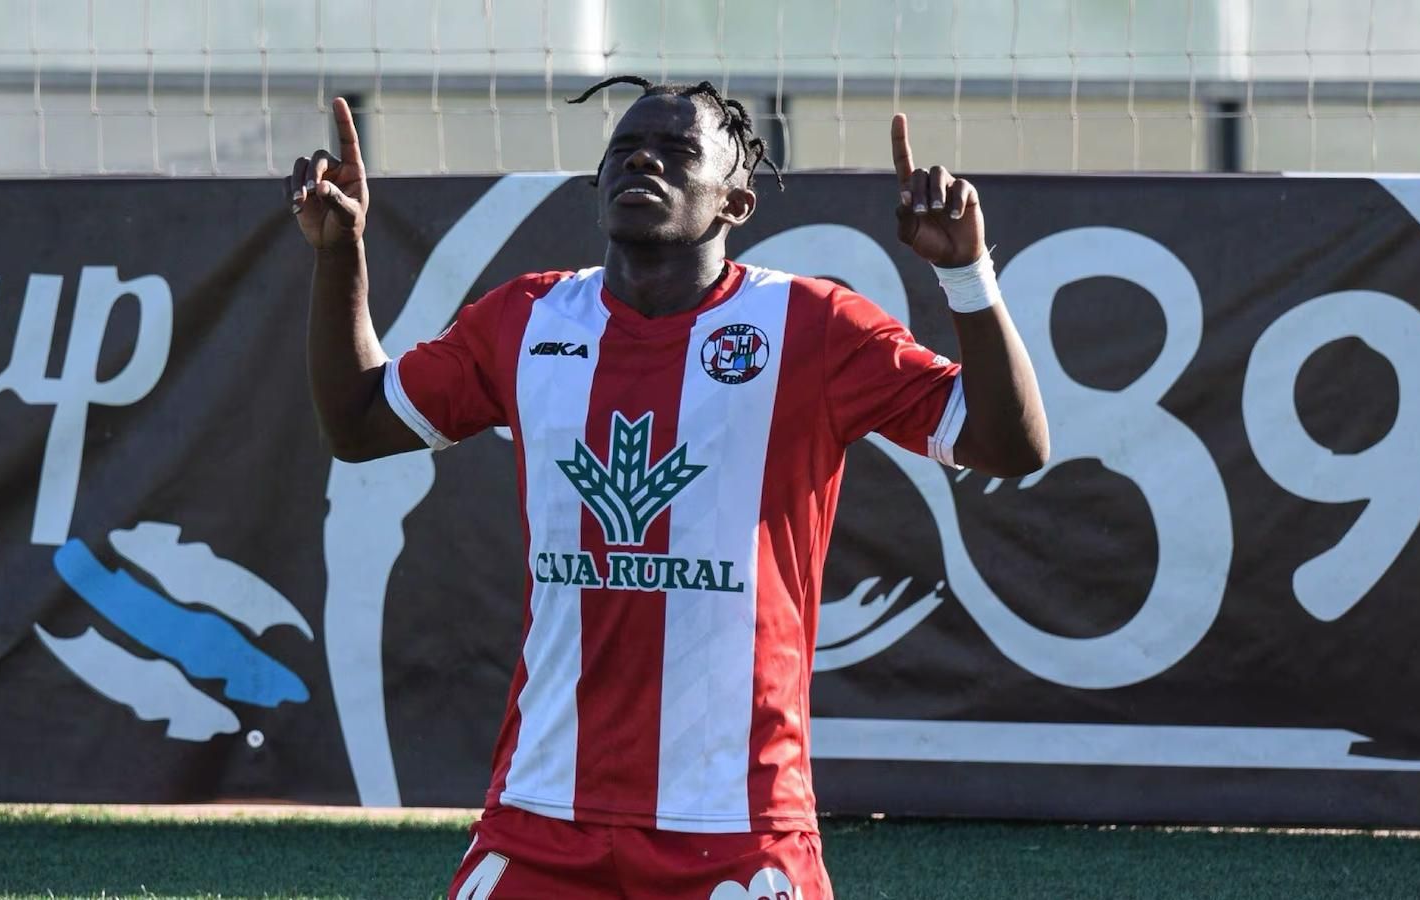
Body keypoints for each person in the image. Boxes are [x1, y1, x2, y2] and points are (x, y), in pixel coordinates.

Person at [288, 77, 1048, 900]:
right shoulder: (529, 319)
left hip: (737, 822)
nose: (643, 157)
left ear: (736, 204)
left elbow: (1009, 444)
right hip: (544, 814)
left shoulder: (813, 326)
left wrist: (968, 273)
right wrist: (339, 254)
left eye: (680, 151)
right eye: (624, 148)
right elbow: (360, 424)